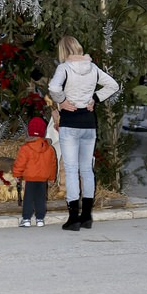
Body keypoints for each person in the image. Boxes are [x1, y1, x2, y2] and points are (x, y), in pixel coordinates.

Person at [48, 35, 119, 231]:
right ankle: (87, 216)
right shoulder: (93, 68)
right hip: (89, 123)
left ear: (63, 51)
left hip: (70, 124)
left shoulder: (64, 68)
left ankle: (73, 219)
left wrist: (61, 101)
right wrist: (95, 97)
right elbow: (113, 85)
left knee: (71, 170)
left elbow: (53, 87)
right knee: (87, 169)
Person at [13, 117, 57, 227]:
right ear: (44, 131)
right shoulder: (50, 148)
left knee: (28, 198)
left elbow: (20, 163)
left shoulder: (25, 148)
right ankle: (40, 219)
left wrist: (17, 174)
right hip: (43, 179)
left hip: (30, 178)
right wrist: (52, 178)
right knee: (41, 199)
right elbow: (53, 164)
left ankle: (26, 219)